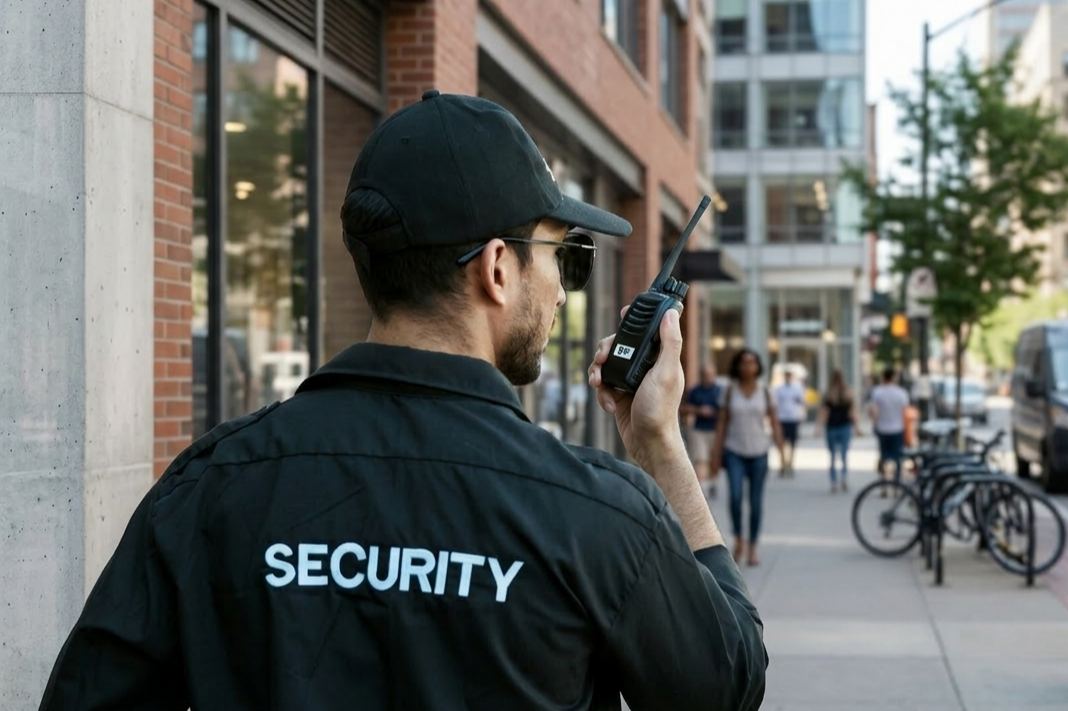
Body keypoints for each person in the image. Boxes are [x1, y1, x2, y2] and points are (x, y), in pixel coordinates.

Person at [38, 90, 767, 711]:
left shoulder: (208, 487)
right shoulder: (596, 512)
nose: (560, 289)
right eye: (562, 256)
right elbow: (725, 685)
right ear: (498, 268)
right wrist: (660, 448)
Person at [711, 348, 785, 567]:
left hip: (759, 452)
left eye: (752, 362)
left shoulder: (765, 391)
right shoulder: (729, 391)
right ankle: (738, 539)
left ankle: (753, 546)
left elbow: (774, 422)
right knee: (734, 497)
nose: (748, 366)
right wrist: (716, 454)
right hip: (734, 451)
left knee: (755, 502)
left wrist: (782, 453)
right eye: (744, 362)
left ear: (758, 366)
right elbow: (722, 423)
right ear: (738, 366)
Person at [681, 363, 723, 498]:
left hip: (715, 430)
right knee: (700, 459)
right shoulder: (695, 391)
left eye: (710, 375)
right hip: (699, 429)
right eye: (706, 375)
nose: (708, 378)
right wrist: (699, 411)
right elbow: (684, 408)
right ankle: (702, 489)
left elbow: (725, 412)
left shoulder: (719, 391)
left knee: (713, 459)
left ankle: (713, 483)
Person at [817, 370, 858, 493]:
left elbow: (824, 412)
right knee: (844, 454)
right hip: (843, 426)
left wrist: (818, 428)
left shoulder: (829, 394)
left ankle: (834, 481)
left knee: (833, 456)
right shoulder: (846, 393)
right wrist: (857, 427)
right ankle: (843, 477)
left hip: (833, 427)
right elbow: (852, 412)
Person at [869, 367, 911, 483]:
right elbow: (905, 412)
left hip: (882, 428)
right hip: (898, 428)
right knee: (897, 457)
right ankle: (897, 482)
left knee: (883, 457)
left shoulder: (877, 392)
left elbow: (874, 411)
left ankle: (883, 482)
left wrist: (875, 423)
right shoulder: (901, 393)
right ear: (893, 377)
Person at [773, 369, 807, 477]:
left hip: (793, 418)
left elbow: (802, 401)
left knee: (792, 443)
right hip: (782, 418)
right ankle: (783, 463)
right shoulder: (779, 389)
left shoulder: (797, 388)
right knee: (781, 443)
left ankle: (790, 464)